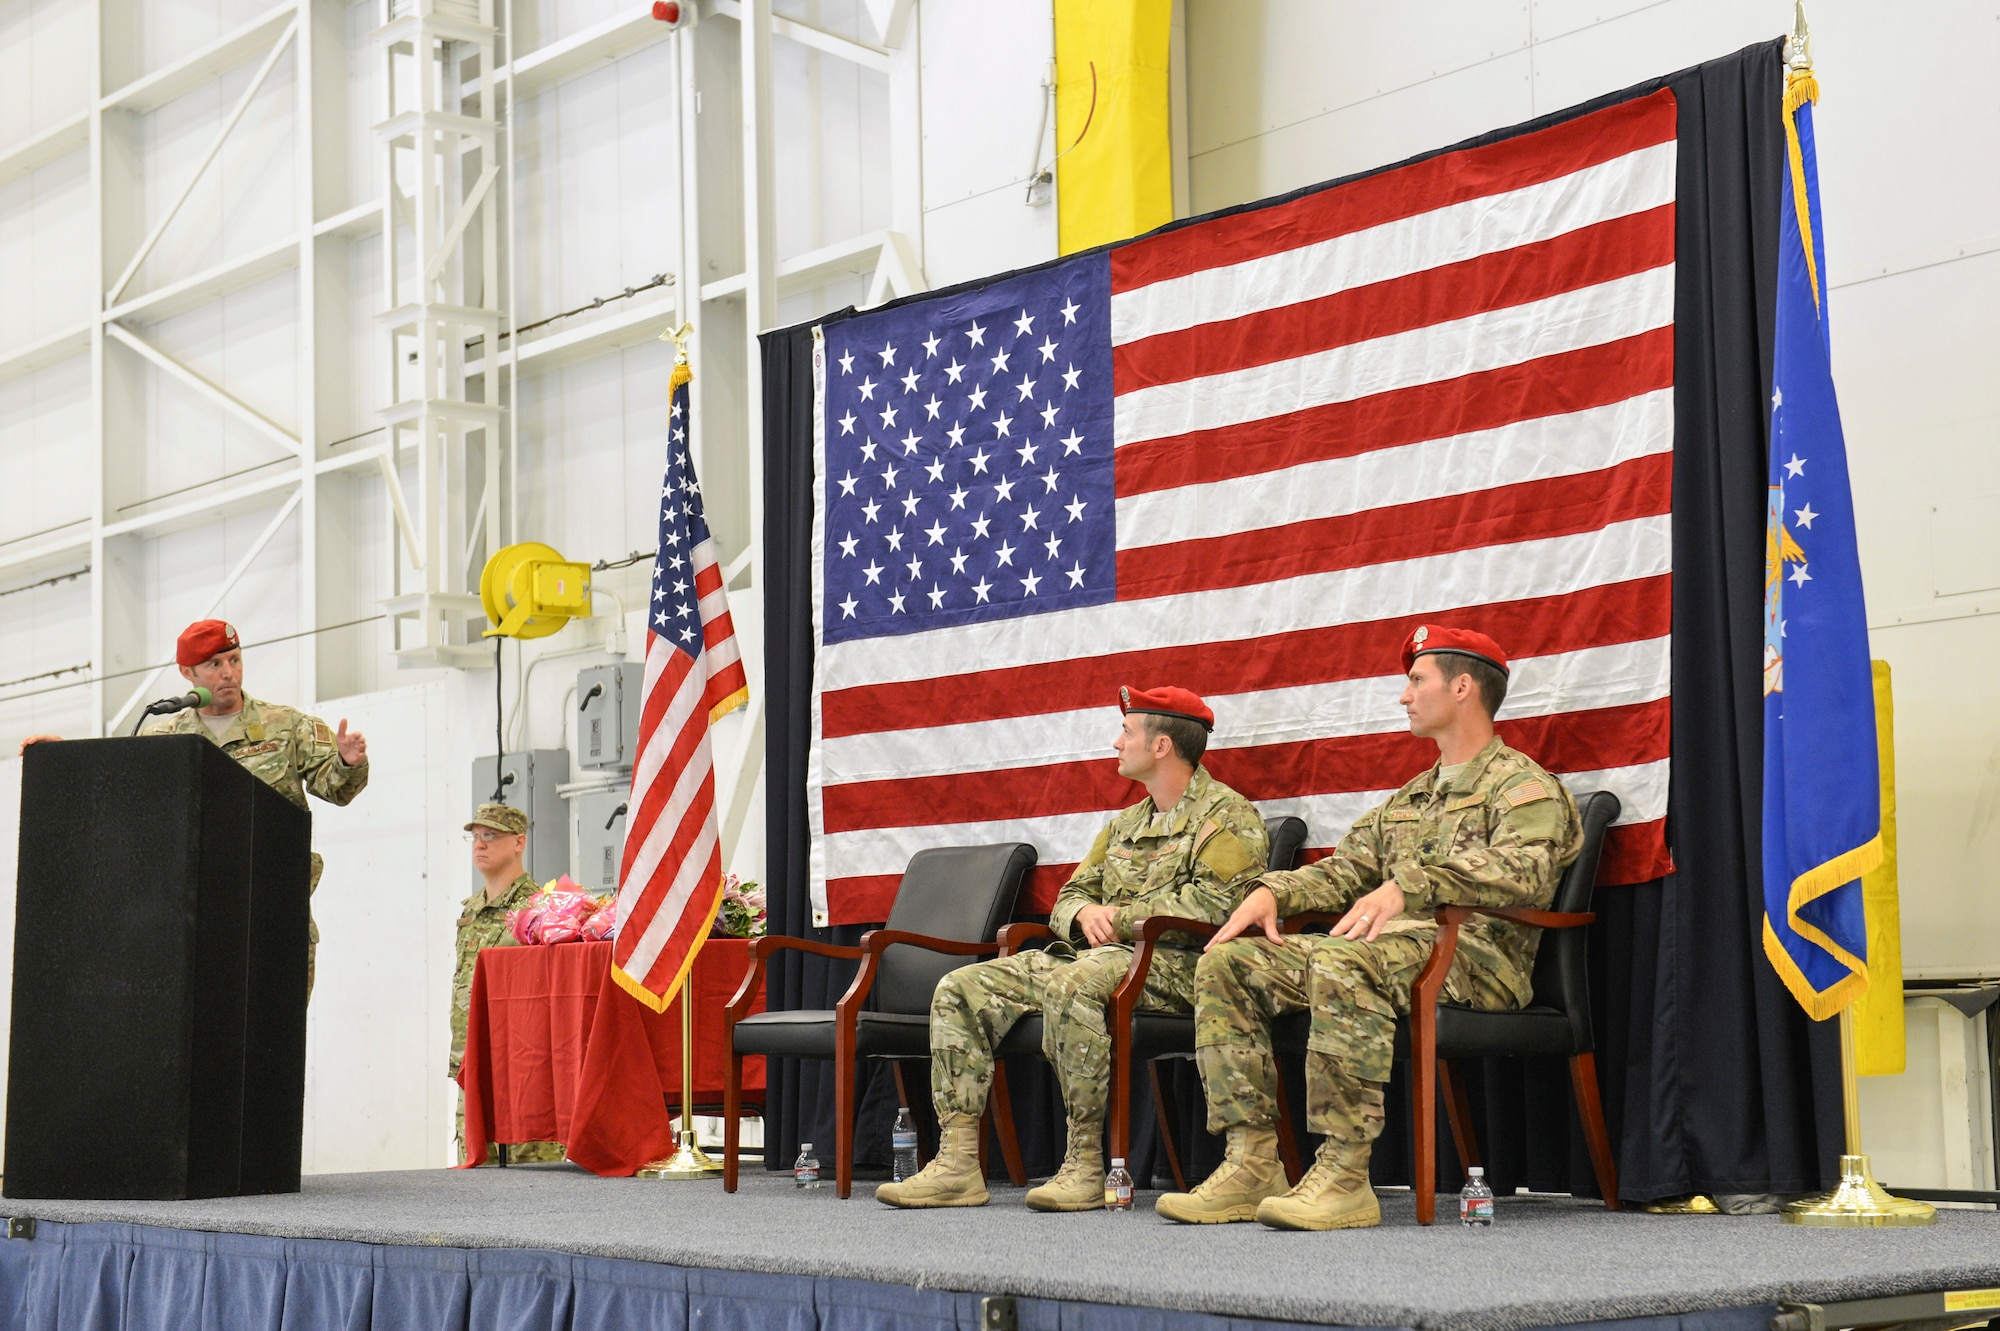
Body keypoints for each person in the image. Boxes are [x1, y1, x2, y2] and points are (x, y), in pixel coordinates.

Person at [1157, 626, 1581, 1230]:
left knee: (1344, 958)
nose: (1404, 697)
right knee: (1227, 963)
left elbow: (1527, 868)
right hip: (1394, 951)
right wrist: (1267, 891)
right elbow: (1344, 872)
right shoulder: (1407, 799)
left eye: (1416, 681)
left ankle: (1345, 1172)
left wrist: (1412, 885)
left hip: (1475, 960)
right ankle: (1251, 1162)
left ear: (1463, 687)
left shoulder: (1523, 785)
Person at [876, 685, 1270, 1211]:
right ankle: (957, 1163)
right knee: (960, 988)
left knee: (1072, 983)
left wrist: (1120, 917)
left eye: (1127, 733)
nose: (1116, 742)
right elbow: (1071, 897)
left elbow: (1219, 906)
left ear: (1161, 746)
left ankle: (1084, 1163)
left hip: (1184, 968)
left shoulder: (1227, 815)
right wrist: (1085, 914)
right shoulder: (1125, 825)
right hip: (1100, 958)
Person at [20, 619, 368, 992]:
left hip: (271, 915)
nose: (229, 673)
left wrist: (348, 762)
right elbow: (114, 783)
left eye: (234, 660)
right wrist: (64, 754)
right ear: (187, 673)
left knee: (274, 1041)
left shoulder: (286, 725)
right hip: (189, 926)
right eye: (214, 665)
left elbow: (337, 790)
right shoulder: (164, 738)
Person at [453, 803, 564, 1164]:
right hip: (472, 1064)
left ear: (519, 842)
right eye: (475, 837)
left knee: (528, 1179)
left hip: (522, 1068)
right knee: (473, 1177)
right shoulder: (470, 911)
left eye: (491, 836)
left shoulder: (541, 909)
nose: (479, 845)